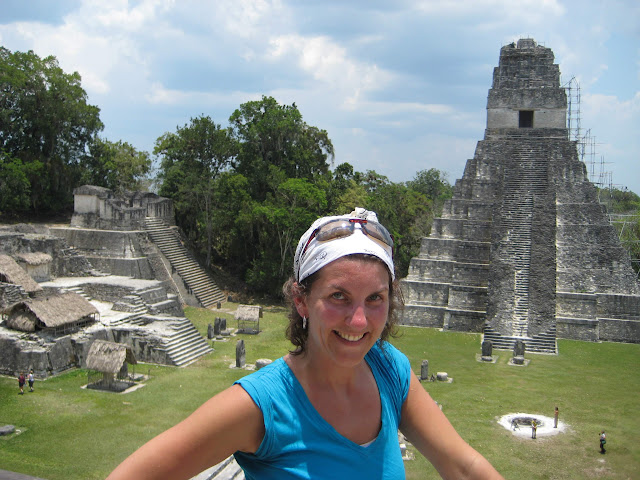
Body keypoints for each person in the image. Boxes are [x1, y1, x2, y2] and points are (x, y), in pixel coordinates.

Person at [106, 208, 504, 480]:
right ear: (301, 300)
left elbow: (463, 467)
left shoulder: (389, 370)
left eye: (375, 299)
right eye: (338, 297)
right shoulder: (261, 405)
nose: (359, 321)